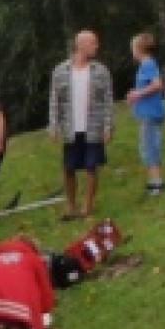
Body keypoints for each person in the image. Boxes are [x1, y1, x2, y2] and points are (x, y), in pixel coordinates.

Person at [47, 30, 113, 220]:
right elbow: (54, 100)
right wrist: (54, 125)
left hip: (93, 127)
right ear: (80, 44)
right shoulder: (60, 71)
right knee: (69, 168)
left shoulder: (101, 71)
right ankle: (71, 205)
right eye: (93, 43)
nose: (96, 46)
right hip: (70, 128)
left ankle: (87, 206)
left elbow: (107, 100)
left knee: (92, 167)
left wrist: (108, 126)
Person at [124, 32, 165, 194]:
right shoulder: (146, 65)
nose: (132, 51)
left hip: (151, 112)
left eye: (133, 48)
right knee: (147, 145)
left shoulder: (148, 63)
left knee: (150, 146)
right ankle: (152, 180)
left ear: (139, 49)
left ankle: (157, 183)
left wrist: (138, 94)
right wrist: (135, 94)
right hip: (146, 111)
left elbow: (157, 85)